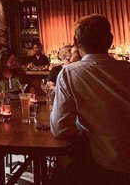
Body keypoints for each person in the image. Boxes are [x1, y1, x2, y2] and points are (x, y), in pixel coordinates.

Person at [51, 14, 130, 185]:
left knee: (58, 175)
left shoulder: (69, 73)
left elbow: (61, 129)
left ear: (77, 44)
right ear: (110, 41)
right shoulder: (127, 68)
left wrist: (84, 128)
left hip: (107, 166)